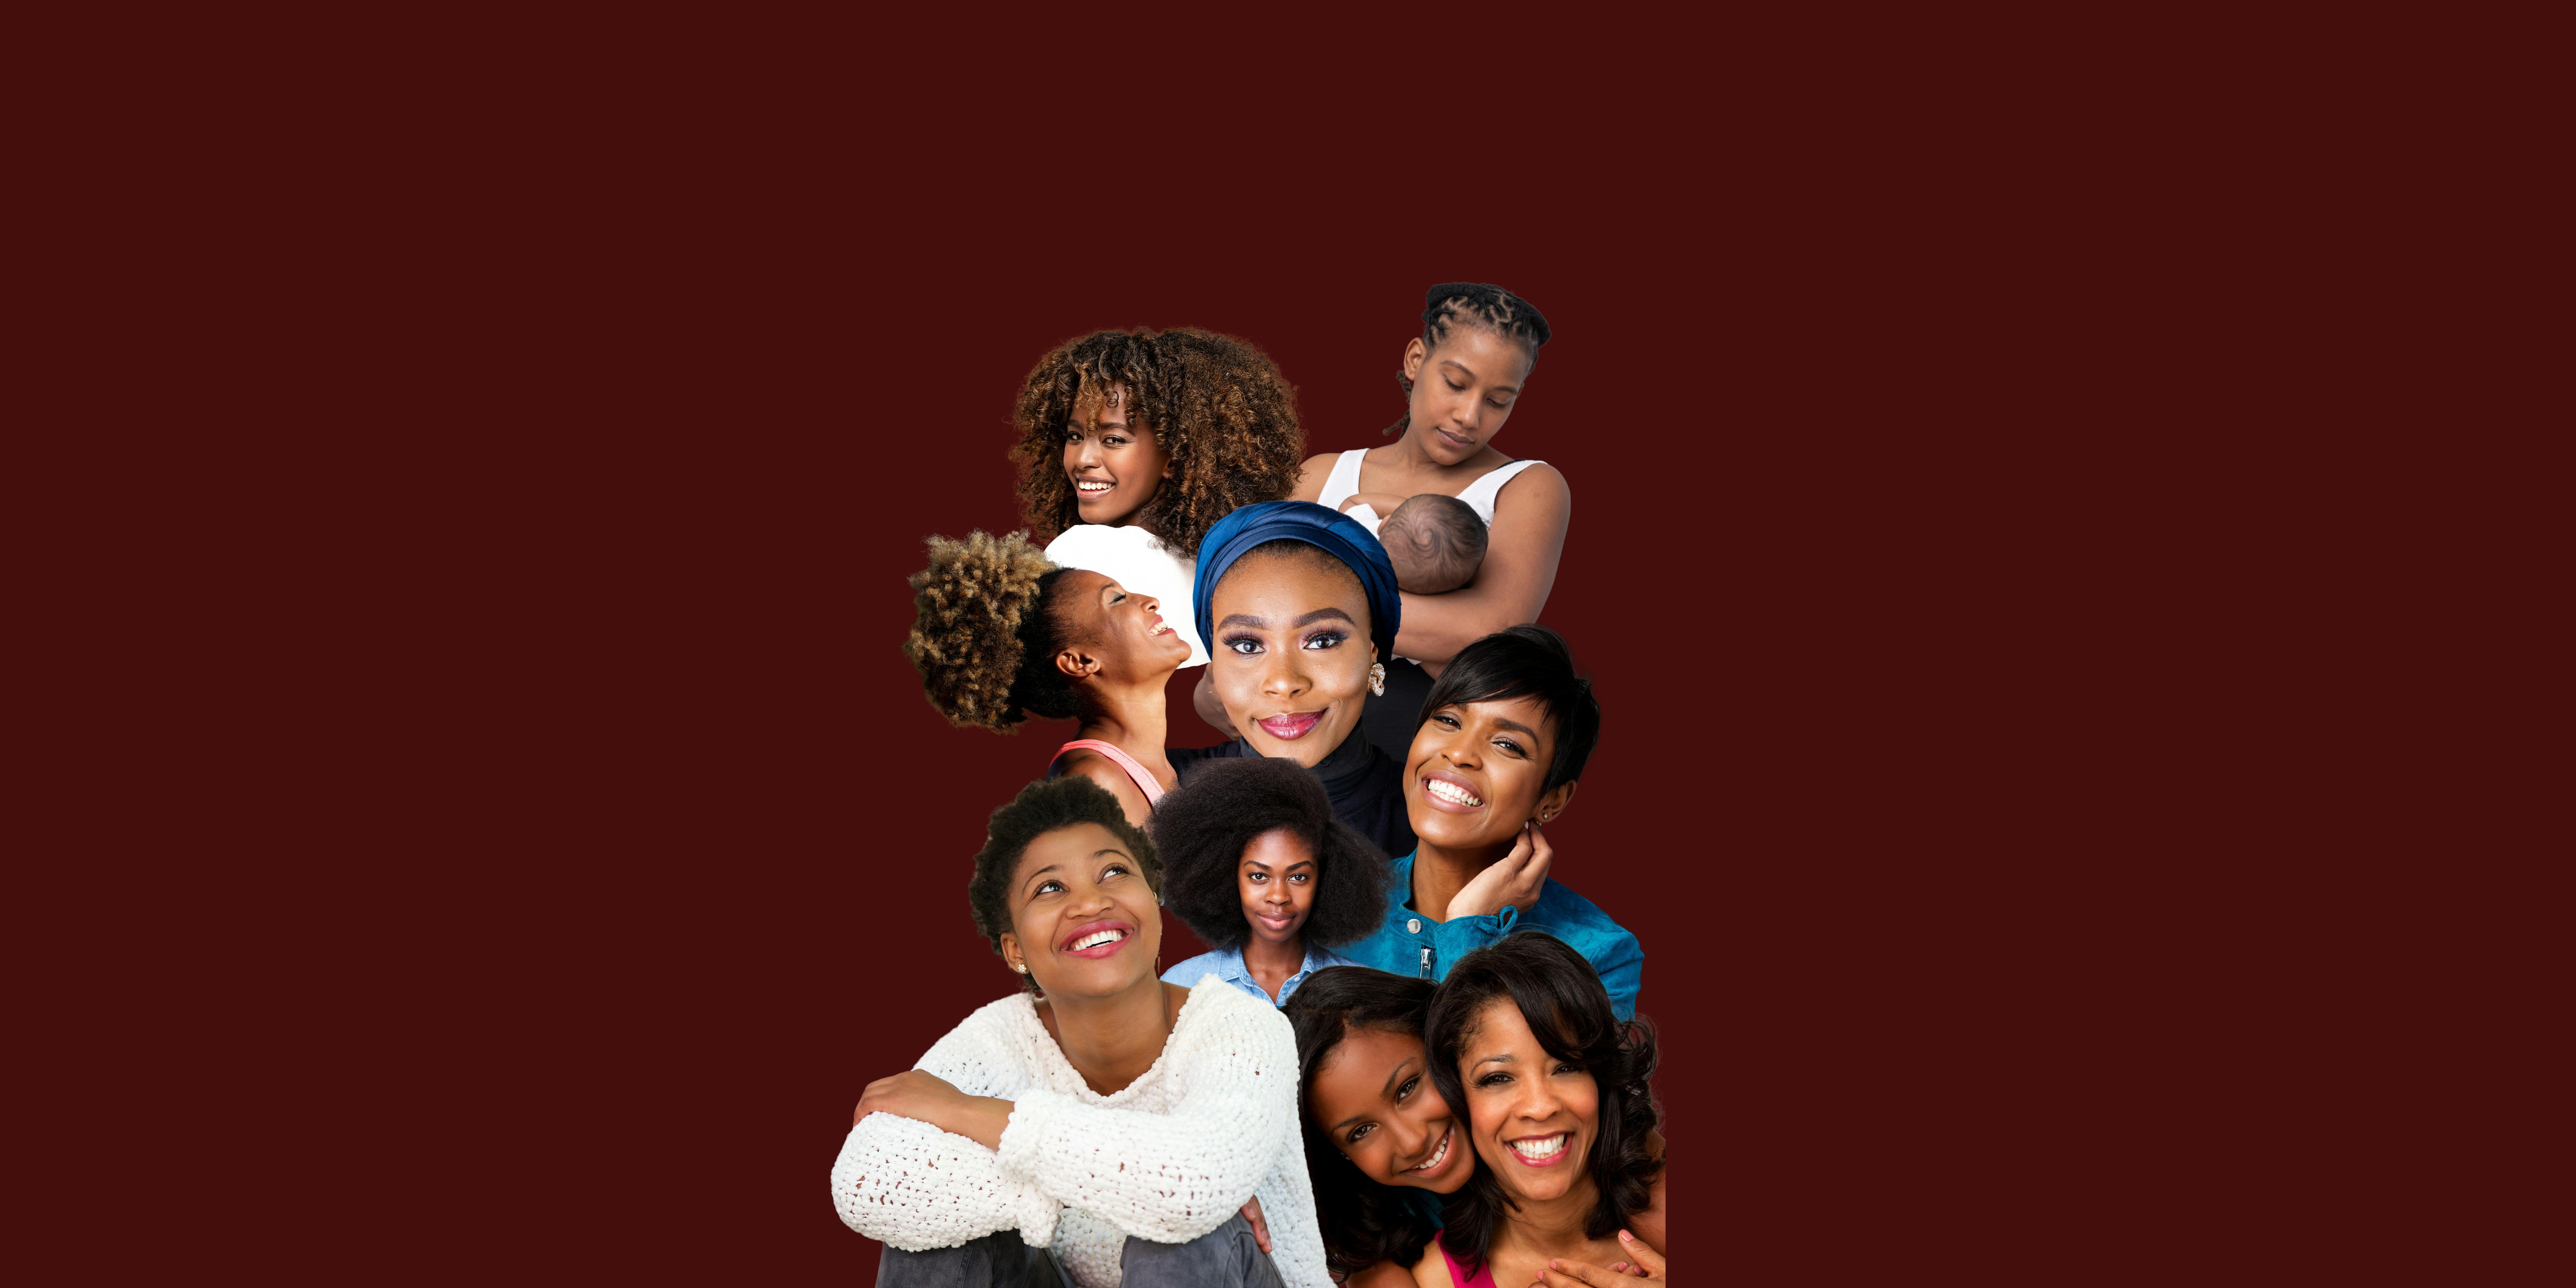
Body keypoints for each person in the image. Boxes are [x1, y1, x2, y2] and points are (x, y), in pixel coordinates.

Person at [829, 776, 1330, 1288]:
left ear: (1154, 901)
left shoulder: (1241, 1027)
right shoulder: (997, 1040)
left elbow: (1190, 1184)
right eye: (1050, 888)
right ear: (1015, 950)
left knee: (1184, 1235)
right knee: (932, 1238)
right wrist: (1133, 1184)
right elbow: (868, 1183)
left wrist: (964, 1113)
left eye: (1114, 872)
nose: (1091, 903)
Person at [1292, 284, 1572, 764]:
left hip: (1420, 760)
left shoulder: (1529, 487)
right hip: (1289, 747)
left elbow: (1490, 633)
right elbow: (1244, 606)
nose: (1469, 416)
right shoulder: (1322, 475)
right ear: (1416, 359)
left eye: (1499, 400)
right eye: (1457, 384)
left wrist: (1302, 610)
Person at [1334, 626, 1644, 1022]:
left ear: (1552, 800)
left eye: (1507, 744)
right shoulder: (1333, 912)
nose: (1461, 752)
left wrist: (1469, 930)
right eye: (1447, 720)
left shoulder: (1597, 957)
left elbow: (1478, 1081)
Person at [1013, 327, 1306, 673]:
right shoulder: (1227, 570)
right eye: (1075, 436)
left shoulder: (1083, 555)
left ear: (1174, 456)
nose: (1082, 459)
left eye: (1114, 440)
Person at [1416, 933, 1667, 1288]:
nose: (1540, 1107)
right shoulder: (1433, 1282)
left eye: (1567, 1067)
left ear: (1601, 1079)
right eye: (1498, 1078)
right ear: (1457, 1100)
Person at [1172, 501, 1415, 861]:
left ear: (1373, 654)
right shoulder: (1139, 793)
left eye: (1322, 641)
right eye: (1247, 645)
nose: (1284, 683)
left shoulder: (1441, 821)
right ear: (1215, 666)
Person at [905, 530, 1189, 826]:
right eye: (1117, 599)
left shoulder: (1153, 768)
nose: (1151, 601)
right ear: (1080, 662)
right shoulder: (1095, 781)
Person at [1282, 967, 1477, 1288]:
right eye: (1361, 1132)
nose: (1412, 1143)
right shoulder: (1368, 1242)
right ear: (1338, 1154)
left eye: (1407, 1088)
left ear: (1440, 1042)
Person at [1154, 757, 1390, 1006]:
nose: (1278, 896)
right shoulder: (1183, 986)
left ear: (1327, 882)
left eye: (1298, 877)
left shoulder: (1360, 992)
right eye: (1259, 876)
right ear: (1225, 878)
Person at [1343, 492, 1487, 595]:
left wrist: (1408, 511)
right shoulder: (1379, 590)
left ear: (1383, 525)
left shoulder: (1361, 530)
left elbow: (1353, 502)